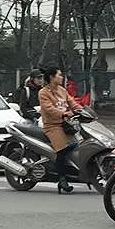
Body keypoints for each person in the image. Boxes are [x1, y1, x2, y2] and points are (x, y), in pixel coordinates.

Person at [37, 65, 83, 194]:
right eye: (59, 75)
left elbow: (72, 102)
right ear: (52, 77)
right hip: (52, 126)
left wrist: (81, 110)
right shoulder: (43, 92)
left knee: (77, 145)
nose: (62, 77)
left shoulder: (62, 90)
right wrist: (62, 114)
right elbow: (48, 109)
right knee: (62, 150)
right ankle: (62, 179)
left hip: (66, 125)